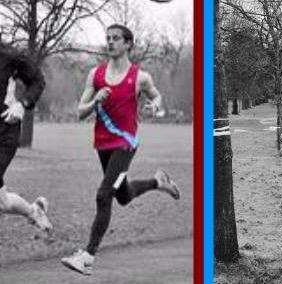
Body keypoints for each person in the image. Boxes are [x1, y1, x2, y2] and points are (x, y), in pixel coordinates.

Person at [61, 24, 181, 275]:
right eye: (108, 38)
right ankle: (158, 182)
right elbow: (79, 112)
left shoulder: (140, 77)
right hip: (103, 144)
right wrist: (95, 101)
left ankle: (87, 257)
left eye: (115, 38)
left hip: (126, 144)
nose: (110, 42)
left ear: (128, 44)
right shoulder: (95, 75)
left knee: (104, 195)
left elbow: (158, 99)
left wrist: (153, 108)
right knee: (123, 195)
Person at [0, 45, 51, 234]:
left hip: (5, 129)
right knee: (3, 203)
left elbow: (38, 81)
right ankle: (34, 211)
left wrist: (23, 104)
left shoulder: (10, 56)